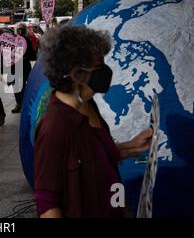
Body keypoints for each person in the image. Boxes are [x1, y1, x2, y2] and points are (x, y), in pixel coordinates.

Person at [34, 26, 153, 218]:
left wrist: (133, 147)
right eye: (99, 67)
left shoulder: (88, 104)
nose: (106, 71)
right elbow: (47, 201)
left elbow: (95, 155)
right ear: (77, 74)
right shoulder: (55, 127)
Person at [11, 23, 36, 113]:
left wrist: (24, 56)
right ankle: (18, 103)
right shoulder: (13, 40)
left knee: (22, 87)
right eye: (19, 29)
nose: (20, 31)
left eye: (21, 29)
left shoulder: (27, 40)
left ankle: (24, 104)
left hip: (24, 66)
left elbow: (32, 55)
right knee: (15, 86)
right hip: (15, 66)